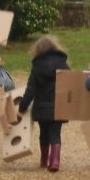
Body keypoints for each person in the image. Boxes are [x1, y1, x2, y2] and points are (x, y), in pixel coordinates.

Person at [17, 35, 71, 172]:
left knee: (44, 134)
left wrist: (21, 108)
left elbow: (30, 90)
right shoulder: (63, 63)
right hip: (60, 106)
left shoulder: (37, 65)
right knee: (55, 134)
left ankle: (43, 160)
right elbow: (71, 85)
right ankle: (55, 162)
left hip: (42, 107)